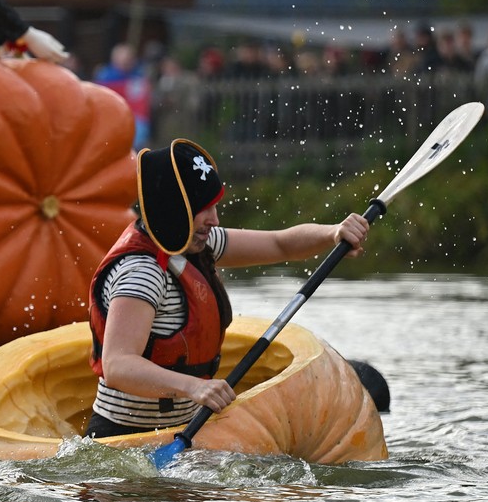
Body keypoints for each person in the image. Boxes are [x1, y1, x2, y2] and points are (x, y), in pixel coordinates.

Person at [86, 138, 369, 438]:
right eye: (204, 209)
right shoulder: (142, 273)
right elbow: (117, 365)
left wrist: (333, 233)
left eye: (215, 206)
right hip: (122, 436)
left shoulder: (195, 244)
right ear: (174, 210)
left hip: (182, 429)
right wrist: (195, 386)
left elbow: (280, 243)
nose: (215, 220)